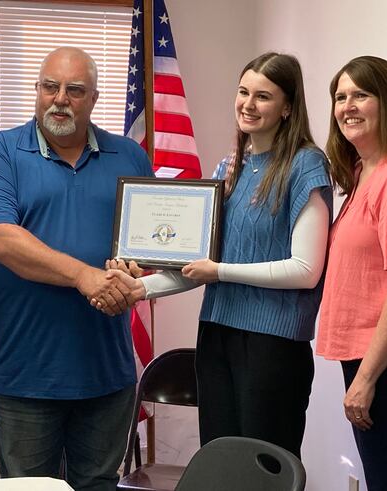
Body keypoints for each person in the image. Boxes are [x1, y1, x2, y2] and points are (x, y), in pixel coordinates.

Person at [106, 52, 332, 458]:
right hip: (217, 332)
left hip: (273, 342)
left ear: (287, 107)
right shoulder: (228, 168)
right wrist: (136, 288)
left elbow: (305, 270)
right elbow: (198, 267)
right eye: (243, 92)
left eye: (263, 96)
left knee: (262, 464)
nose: (248, 104)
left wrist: (220, 271)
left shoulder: (306, 164)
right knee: (222, 458)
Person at [0, 47, 152, 491]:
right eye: (50, 86)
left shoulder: (129, 156)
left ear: (93, 98)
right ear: (37, 91)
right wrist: (84, 276)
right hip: (27, 374)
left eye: (75, 89)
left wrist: (134, 269)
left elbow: (148, 242)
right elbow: (0, 239)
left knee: (99, 484)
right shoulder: (0, 152)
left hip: (106, 372)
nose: (60, 98)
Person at [316, 56, 387, 491]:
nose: (347, 106)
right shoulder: (362, 171)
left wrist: (365, 380)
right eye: (340, 97)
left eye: (360, 94)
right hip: (362, 355)